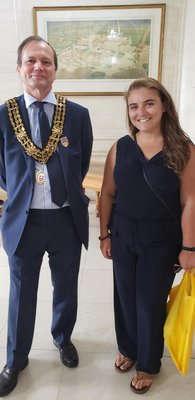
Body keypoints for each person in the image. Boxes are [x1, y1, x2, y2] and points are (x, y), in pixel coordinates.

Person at [0, 35, 93, 396]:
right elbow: (3, 171)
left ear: (55, 69)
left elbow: (80, 164)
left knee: (65, 287)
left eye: (46, 62)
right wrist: (25, 193)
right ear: (20, 68)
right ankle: (15, 358)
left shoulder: (77, 115)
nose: (38, 67)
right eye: (31, 61)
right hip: (24, 221)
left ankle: (63, 338)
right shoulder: (4, 115)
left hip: (65, 219)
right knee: (21, 293)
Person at [99, 77, 195, 394]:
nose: (142, 112)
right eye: (134, 106)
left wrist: (189, 247)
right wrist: (104, 235)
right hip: (124, 235)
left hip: (161, 239)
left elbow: (190, 201)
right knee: (125, 297)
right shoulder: (120, 148)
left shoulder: (184, 148)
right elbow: (108, 194)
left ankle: (149, 363)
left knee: (150, 302)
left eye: (149, 103)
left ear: (164, 105)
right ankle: (128, 348)